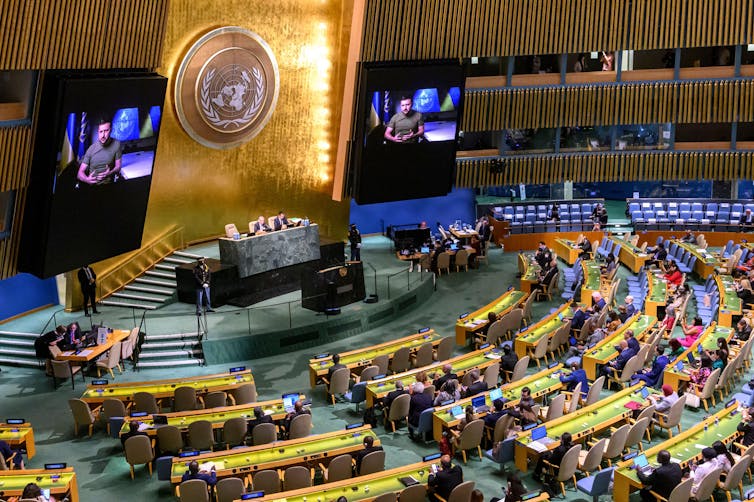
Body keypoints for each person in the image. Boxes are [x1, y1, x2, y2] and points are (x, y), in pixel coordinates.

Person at [77, 117, 122, 185]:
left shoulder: (117, 144)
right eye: (101, 131)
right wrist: (87, 180)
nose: (103, 135)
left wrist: (109, 173)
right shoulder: (91, 149)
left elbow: (118, 167)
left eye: (106, 131)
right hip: (92, 187)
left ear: (111, 130)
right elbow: (79, 174)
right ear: (98, 132)